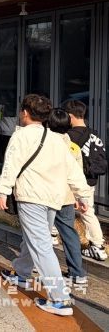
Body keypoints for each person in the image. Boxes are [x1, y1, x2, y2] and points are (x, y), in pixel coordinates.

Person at [0, 94, 93, 317]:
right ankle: (21, 272)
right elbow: (72, 169)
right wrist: (83, 196)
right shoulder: (57, 138)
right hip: (53, 198)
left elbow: (11, 165)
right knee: (36, 239)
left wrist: (2, 191)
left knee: (41, 245)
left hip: (31, 196)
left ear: (25, 113)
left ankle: (60, 299)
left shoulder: (21, 136)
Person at [63, 99, 108, 262]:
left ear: (70, 116)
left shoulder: (68, 137)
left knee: (59, 208)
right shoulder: (94, 134)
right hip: (90, 180)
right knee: (88, 212)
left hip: (74, 181)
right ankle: (98, 245)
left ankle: (53, 235)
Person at [47, 108, 87, 285]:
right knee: (69, 233)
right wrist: (79, 197)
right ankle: (77, 273)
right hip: (66, 197)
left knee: (39, 232)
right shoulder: (73, 147)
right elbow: (78, 174)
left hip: (45, 196)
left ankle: (36, 265)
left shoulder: (45, 144)